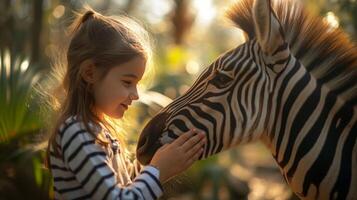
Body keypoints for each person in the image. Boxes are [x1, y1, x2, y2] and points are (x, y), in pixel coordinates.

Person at [45, 8, 206, 200]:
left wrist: (167, 155)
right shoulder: (77, 132)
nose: (136, 94)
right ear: (90, 73)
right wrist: (158, 170)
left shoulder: (99, 131)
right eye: (127, 82)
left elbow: (130, 183)